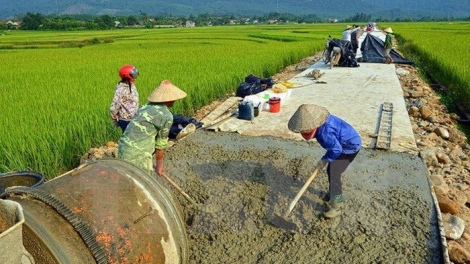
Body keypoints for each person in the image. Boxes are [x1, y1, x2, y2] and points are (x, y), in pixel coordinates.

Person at [287, 104, 362, 219]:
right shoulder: (322, 123)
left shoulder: (325, 134)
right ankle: (332, 194)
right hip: (342, 143)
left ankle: (337, 206)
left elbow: (336, 149)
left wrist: (325, 159)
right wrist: (326, 159)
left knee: (334, 173)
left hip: (349, 147)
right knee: (331, 170)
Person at [118, 80, 187, 176]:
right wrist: (159, 167)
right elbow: (160, 144)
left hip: (123, 148)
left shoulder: (145, 106)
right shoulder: (166, 115)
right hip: (138, 154)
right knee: (142, 184)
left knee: (126, 180)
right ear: (169, 99)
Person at [109, 64, 140, 133]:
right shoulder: (121, 90)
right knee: (129, 140)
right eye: (133, 76)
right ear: (126, 77)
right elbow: (115, 105)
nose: (135, 78)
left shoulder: (132, 85)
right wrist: (114, 117)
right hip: (126, 120)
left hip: (134, 118)